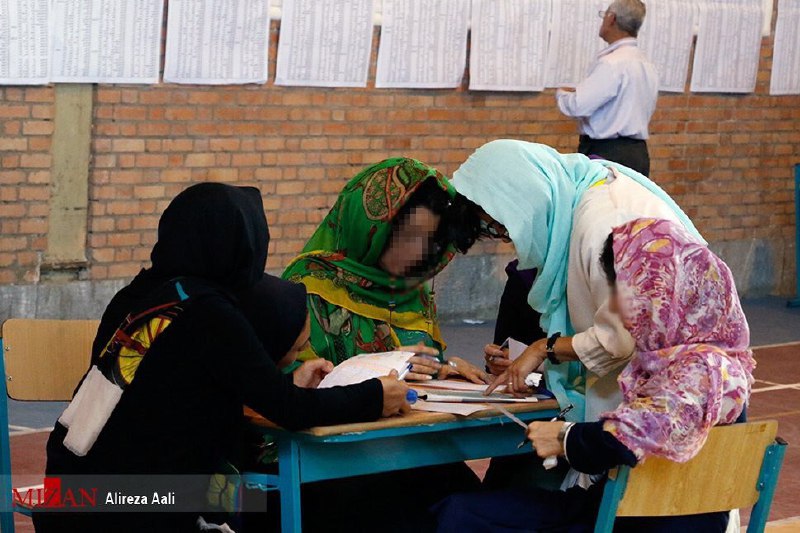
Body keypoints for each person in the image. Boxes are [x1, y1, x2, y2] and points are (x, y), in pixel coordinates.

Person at [33, 183, 409, 533]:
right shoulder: (208, 311)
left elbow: (175, 390)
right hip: (136, 507)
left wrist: (283, 385)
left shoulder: (138, 296)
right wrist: (375, 395)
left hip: (68, 496)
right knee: (282, 499)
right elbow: (291, 411)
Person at [434, 218, 755, 532]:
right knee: (464, 507)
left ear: (666, 293)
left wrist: (564, 438)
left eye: (626, 294)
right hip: (621, 513)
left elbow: (632, 437)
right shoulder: (695, 363)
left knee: (461, 513)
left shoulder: (705, 369)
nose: (615, 307)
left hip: (636, 521)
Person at [453, 139, 702, 425]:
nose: (509, 238)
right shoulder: (583, 197)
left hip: (672, 397)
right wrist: (534, 362)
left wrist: (542, 349)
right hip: (664, 391)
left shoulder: (604, 223)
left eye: (504, 225)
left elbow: (619, 339)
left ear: (525, 197)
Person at [283, 157, 488, 383]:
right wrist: (380, 369)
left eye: (429, 239)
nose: (419, 252)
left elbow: (417, 366)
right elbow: (289, 383)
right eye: (408, 235)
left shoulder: (412, 293)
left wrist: (444, 368)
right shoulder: (308, 286)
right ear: (369, 227)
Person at [556, 0, 658, 176]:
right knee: (630, 204)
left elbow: (579, 105)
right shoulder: (647, 64)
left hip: (608, 154)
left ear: (611, 19)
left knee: (602, 203)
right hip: (638, 154)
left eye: (604, 16)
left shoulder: (612, 63)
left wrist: (562, 94)